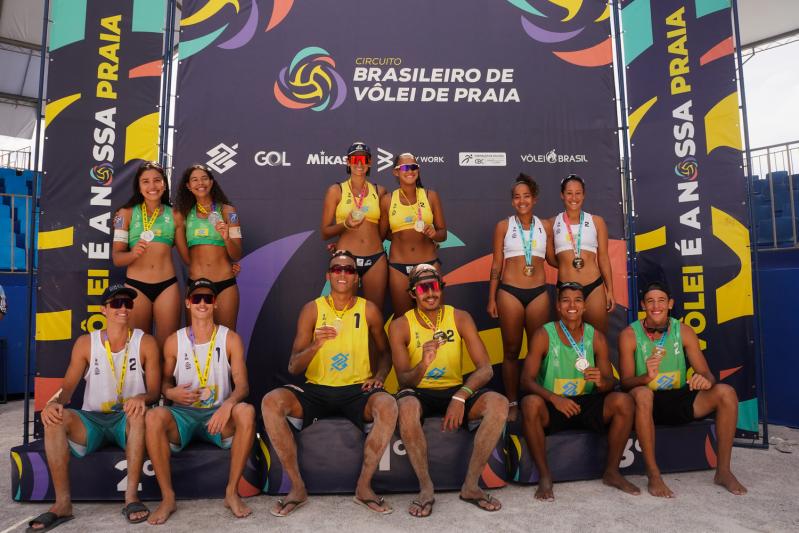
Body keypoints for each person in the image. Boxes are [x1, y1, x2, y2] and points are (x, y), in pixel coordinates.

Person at [260, 250, 397, 517]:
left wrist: (379, 377)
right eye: (337, 269)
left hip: (357, 390)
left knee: (389, 405)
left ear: (356, 277)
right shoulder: (312, 309)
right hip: (317, 390)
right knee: (271, 401)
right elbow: (294, 366)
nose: (343, 274)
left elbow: (385, 352)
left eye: (349, 270)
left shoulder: (368, 309)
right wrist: (317, 344)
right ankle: (297, 487)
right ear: (328, 275)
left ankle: (364, 487)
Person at [31, 284, 160, 531]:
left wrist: (141, 397)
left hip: (126, 419)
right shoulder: (85, 343)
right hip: (92, 420)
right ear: (103, 310)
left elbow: (154, 391)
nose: (123, 308)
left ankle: (131, 498)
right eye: (116, 304)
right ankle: (62, 504)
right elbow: (68, 388)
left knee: (139, 414)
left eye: (127, 303)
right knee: (55, 418)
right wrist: (53, 403)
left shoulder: (146, 342)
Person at [390, 264, 509, 516]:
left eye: (433, 286)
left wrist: (461, 395)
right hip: (419, 391)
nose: (429, 293)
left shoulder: (460, 317)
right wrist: (423, 363)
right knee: (406, 405)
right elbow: (404, 381)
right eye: (422, 288)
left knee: (498, 403)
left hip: (455, 388)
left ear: (441, 287)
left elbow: (485, 368)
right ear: (413, 293)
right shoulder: (401, 325)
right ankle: (426, 488)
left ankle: (471, 486)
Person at [619, 281, 747, 497]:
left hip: (679, 398)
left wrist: (705, 380)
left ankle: (723, 471)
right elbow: (625, 382)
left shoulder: (685, 331)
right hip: (647, 403)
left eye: (661, 301)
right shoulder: (629, 334)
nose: (656, 306)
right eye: (650, 301)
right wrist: (646, 377)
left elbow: (707, 374)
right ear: (643, 305)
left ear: (670, 303)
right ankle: (654, 475)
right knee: (642, 393)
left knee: (726, 392)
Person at [145, 279, 255, 524]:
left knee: (246, 411)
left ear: (215, 304)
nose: (202, 303)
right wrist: (170, 394)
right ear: (188, 303)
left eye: (208, 298)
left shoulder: (230, 339)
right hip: (183, 416)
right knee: (153, 416)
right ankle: (167, 497)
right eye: (197, 298)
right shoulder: (175, 340)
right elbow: (163, 384)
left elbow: (243, 386)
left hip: (217, 415)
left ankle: (231, 492)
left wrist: (228, 404)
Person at [520, 281, 639, 501]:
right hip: (554, 405)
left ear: (584, 306)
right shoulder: (544, 334)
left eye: (577, 300)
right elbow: (526, 380)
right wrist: (554, 398)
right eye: (565, 300)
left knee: (624, 402)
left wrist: (601, 381)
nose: (571, 305)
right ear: (558, 306)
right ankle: (545, 477)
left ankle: (612, 472)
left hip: (586, 402)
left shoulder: (596, 337)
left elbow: (611, 382)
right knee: (529, 404)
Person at [487, 174, 553, 421]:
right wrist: (492, 297)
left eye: (526, 196)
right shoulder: (503, 226)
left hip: (538, 293)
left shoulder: (545, 226)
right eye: (517, 197)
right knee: (512, 350)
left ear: (534, 199)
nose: (522, 201)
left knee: (539, 351)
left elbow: (552, 259)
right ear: (513, 202)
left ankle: (538, 400)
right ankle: (513, 401)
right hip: (510, 292)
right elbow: (496, 265)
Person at [112, 161, 180, 350]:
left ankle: (164, 381)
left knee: (167, 347)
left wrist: (228, 263)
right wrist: (133, 254)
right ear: (139, 186)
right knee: (138, 346)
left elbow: (190, 252)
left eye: (157, 180)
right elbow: (117, 258)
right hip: (136, 287)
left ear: (164, 184)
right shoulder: (124, 214)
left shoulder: (175, 214)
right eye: (146, 181)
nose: (152, 186)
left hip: (167, 286)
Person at [320, 142, 389, 310]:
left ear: (370, 162)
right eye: (355, 159)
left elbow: (383, 231)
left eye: (364, 159)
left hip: (375, 258)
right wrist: (346, 224)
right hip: (346, 259)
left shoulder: (380, 191)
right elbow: (325, 232)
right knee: (341, 310)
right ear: (348, 162)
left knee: (375, 312)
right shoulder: (336, 190)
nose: (359, 163)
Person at [174, 164, 243, 330]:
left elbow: (237, 253)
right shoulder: (181, 215)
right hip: (197, 285)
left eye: (204, 178)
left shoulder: (229, 211)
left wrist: (226, 237)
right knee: (195, 341)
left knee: (226, 338)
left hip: (225, 284)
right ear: (188, 186)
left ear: (211, 182)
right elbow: (186, 258)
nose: (200, 183)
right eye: (195, 180)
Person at [380, 153, 447, 317]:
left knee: (434, 316)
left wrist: (434, 234)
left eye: (413, 167)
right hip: (399, 268)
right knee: (404, 318)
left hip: (428, 264)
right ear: (396, 172)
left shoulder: (430, 195)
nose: (410, 171)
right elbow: (380, 235)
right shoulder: (387, 200)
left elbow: (443, 233)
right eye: (405, 167)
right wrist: (400, 236)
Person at [550, 174, 615, 333]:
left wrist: (610, 291)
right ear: (562, 195)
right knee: (567, 340)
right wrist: (567, 263)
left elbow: (603, 258)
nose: (574, 197)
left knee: (598, 339)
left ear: (584, 195)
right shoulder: (551, 223)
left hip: (594, 287)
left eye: (578, 193)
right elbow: (550, 258)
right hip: (565, 289)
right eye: (569, 193)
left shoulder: (596, 221)